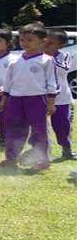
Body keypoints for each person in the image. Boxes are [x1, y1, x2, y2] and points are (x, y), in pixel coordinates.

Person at [0, 23, 57, 171]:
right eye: (22, 40)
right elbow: (8, 82)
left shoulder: (46, 60)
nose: (25, 43)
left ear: (43, 41)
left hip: (37, 99)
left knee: (39, 130)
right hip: (16, 100)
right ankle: (11, 158)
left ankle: (41, 159)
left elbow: (52, 83)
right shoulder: (15, 60)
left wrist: (51, 103)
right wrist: (4, 100)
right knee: (13, 128)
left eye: (30, 40)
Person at [45, 28, 73, 160]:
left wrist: (49, 59)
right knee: (39, 127)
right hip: (41, 98)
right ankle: (42, 153)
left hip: (61, 99)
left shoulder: (65, 57)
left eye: (51, 43)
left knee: (62, 126)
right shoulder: (37, 57)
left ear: (60, 45)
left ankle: (66, 150)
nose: (46, 45)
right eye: (45, 41)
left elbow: (63, 70)